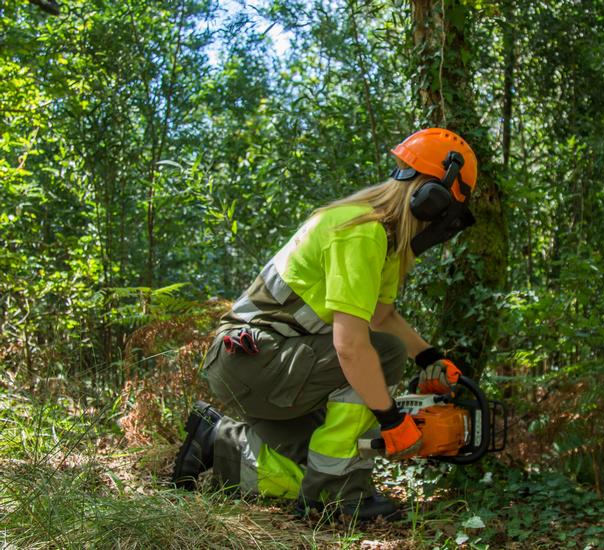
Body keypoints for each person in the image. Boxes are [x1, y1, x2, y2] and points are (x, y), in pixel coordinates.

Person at [171, 128, 478, 522]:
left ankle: (218, 440)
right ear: (430, 200)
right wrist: (391, 419)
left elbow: (382, 315)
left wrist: (431, 358)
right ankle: (334, 498)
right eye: (446, 216)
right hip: (252, 360)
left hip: (266, 365)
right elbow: (351, 346)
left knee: (318, 460)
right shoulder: (361, 233)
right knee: (383, 353)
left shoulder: (380, 240)